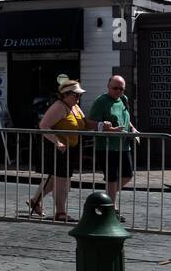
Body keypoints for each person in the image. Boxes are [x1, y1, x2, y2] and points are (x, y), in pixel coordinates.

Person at [29, 79, 112, 222]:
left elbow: (85, 123)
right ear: (65, 95)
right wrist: (57, 142)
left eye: (79, 95)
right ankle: (60, 212)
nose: (78, 98)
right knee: (62, 181)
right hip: (58, 148)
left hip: (69, 148)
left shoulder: (74, 107)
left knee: (54, 178)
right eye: (76, 95)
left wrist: (102, 126)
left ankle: (35, 201)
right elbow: (43, 126)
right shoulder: (59, 107)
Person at [88, 74, 137, 219]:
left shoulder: (124, 99)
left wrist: (133, 129)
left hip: (123, 146)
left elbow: (126, 120)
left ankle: (105, 200)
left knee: (128, 175)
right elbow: (89, 123)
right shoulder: (101, 101)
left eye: (121, 89)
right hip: (107, 147)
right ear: (108, 87)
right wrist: (106, 127)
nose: (118, 91)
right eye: (115, 88)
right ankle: (111, 210)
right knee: (112, 178)